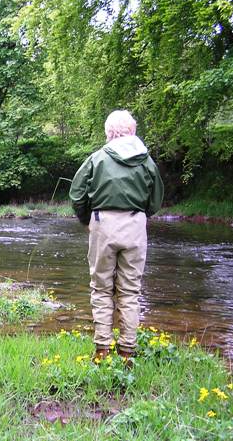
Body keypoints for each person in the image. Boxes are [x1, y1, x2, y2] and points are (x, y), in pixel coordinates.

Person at [69, 110, 164, 361]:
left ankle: (102, 350)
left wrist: (86, 219)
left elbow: (76, 194)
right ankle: (127, 352)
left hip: (103, 224)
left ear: (109, 132)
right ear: (132, 131)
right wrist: (140, 215)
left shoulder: (97, 158)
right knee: (130, 291)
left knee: (101, 288)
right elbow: (156, 200)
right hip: (135, 224)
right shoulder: (147, 161)